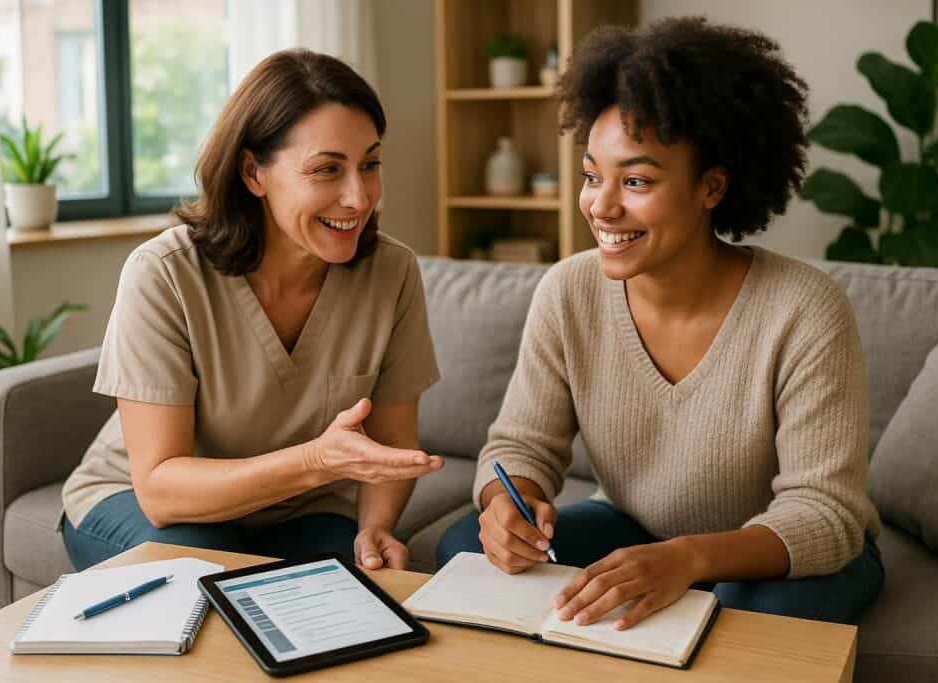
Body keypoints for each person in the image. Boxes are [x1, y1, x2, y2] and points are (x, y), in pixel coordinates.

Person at [437, 17, 884, 628]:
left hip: (783, 551)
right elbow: (520, 446)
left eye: (637, 180)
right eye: (593, 175)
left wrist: (688, 558)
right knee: (464, 549)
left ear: (712, 187)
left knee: (748, 613)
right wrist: (505, 503)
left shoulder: (805, 309)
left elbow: (825, 513)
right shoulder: (568, 291)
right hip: (637, 527)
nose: (601, 205)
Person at [61, 49, 443, 572]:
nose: (359, 197)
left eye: (370, 165)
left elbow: (394, 444)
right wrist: (315, 461)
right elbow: (160, 490)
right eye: (327, 169)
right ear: (252, 172)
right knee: (215, 577)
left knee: (351, 599)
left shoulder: (392, 273)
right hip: (142, 500)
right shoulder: (164, 274)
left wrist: (375, 527)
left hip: (302, 512)